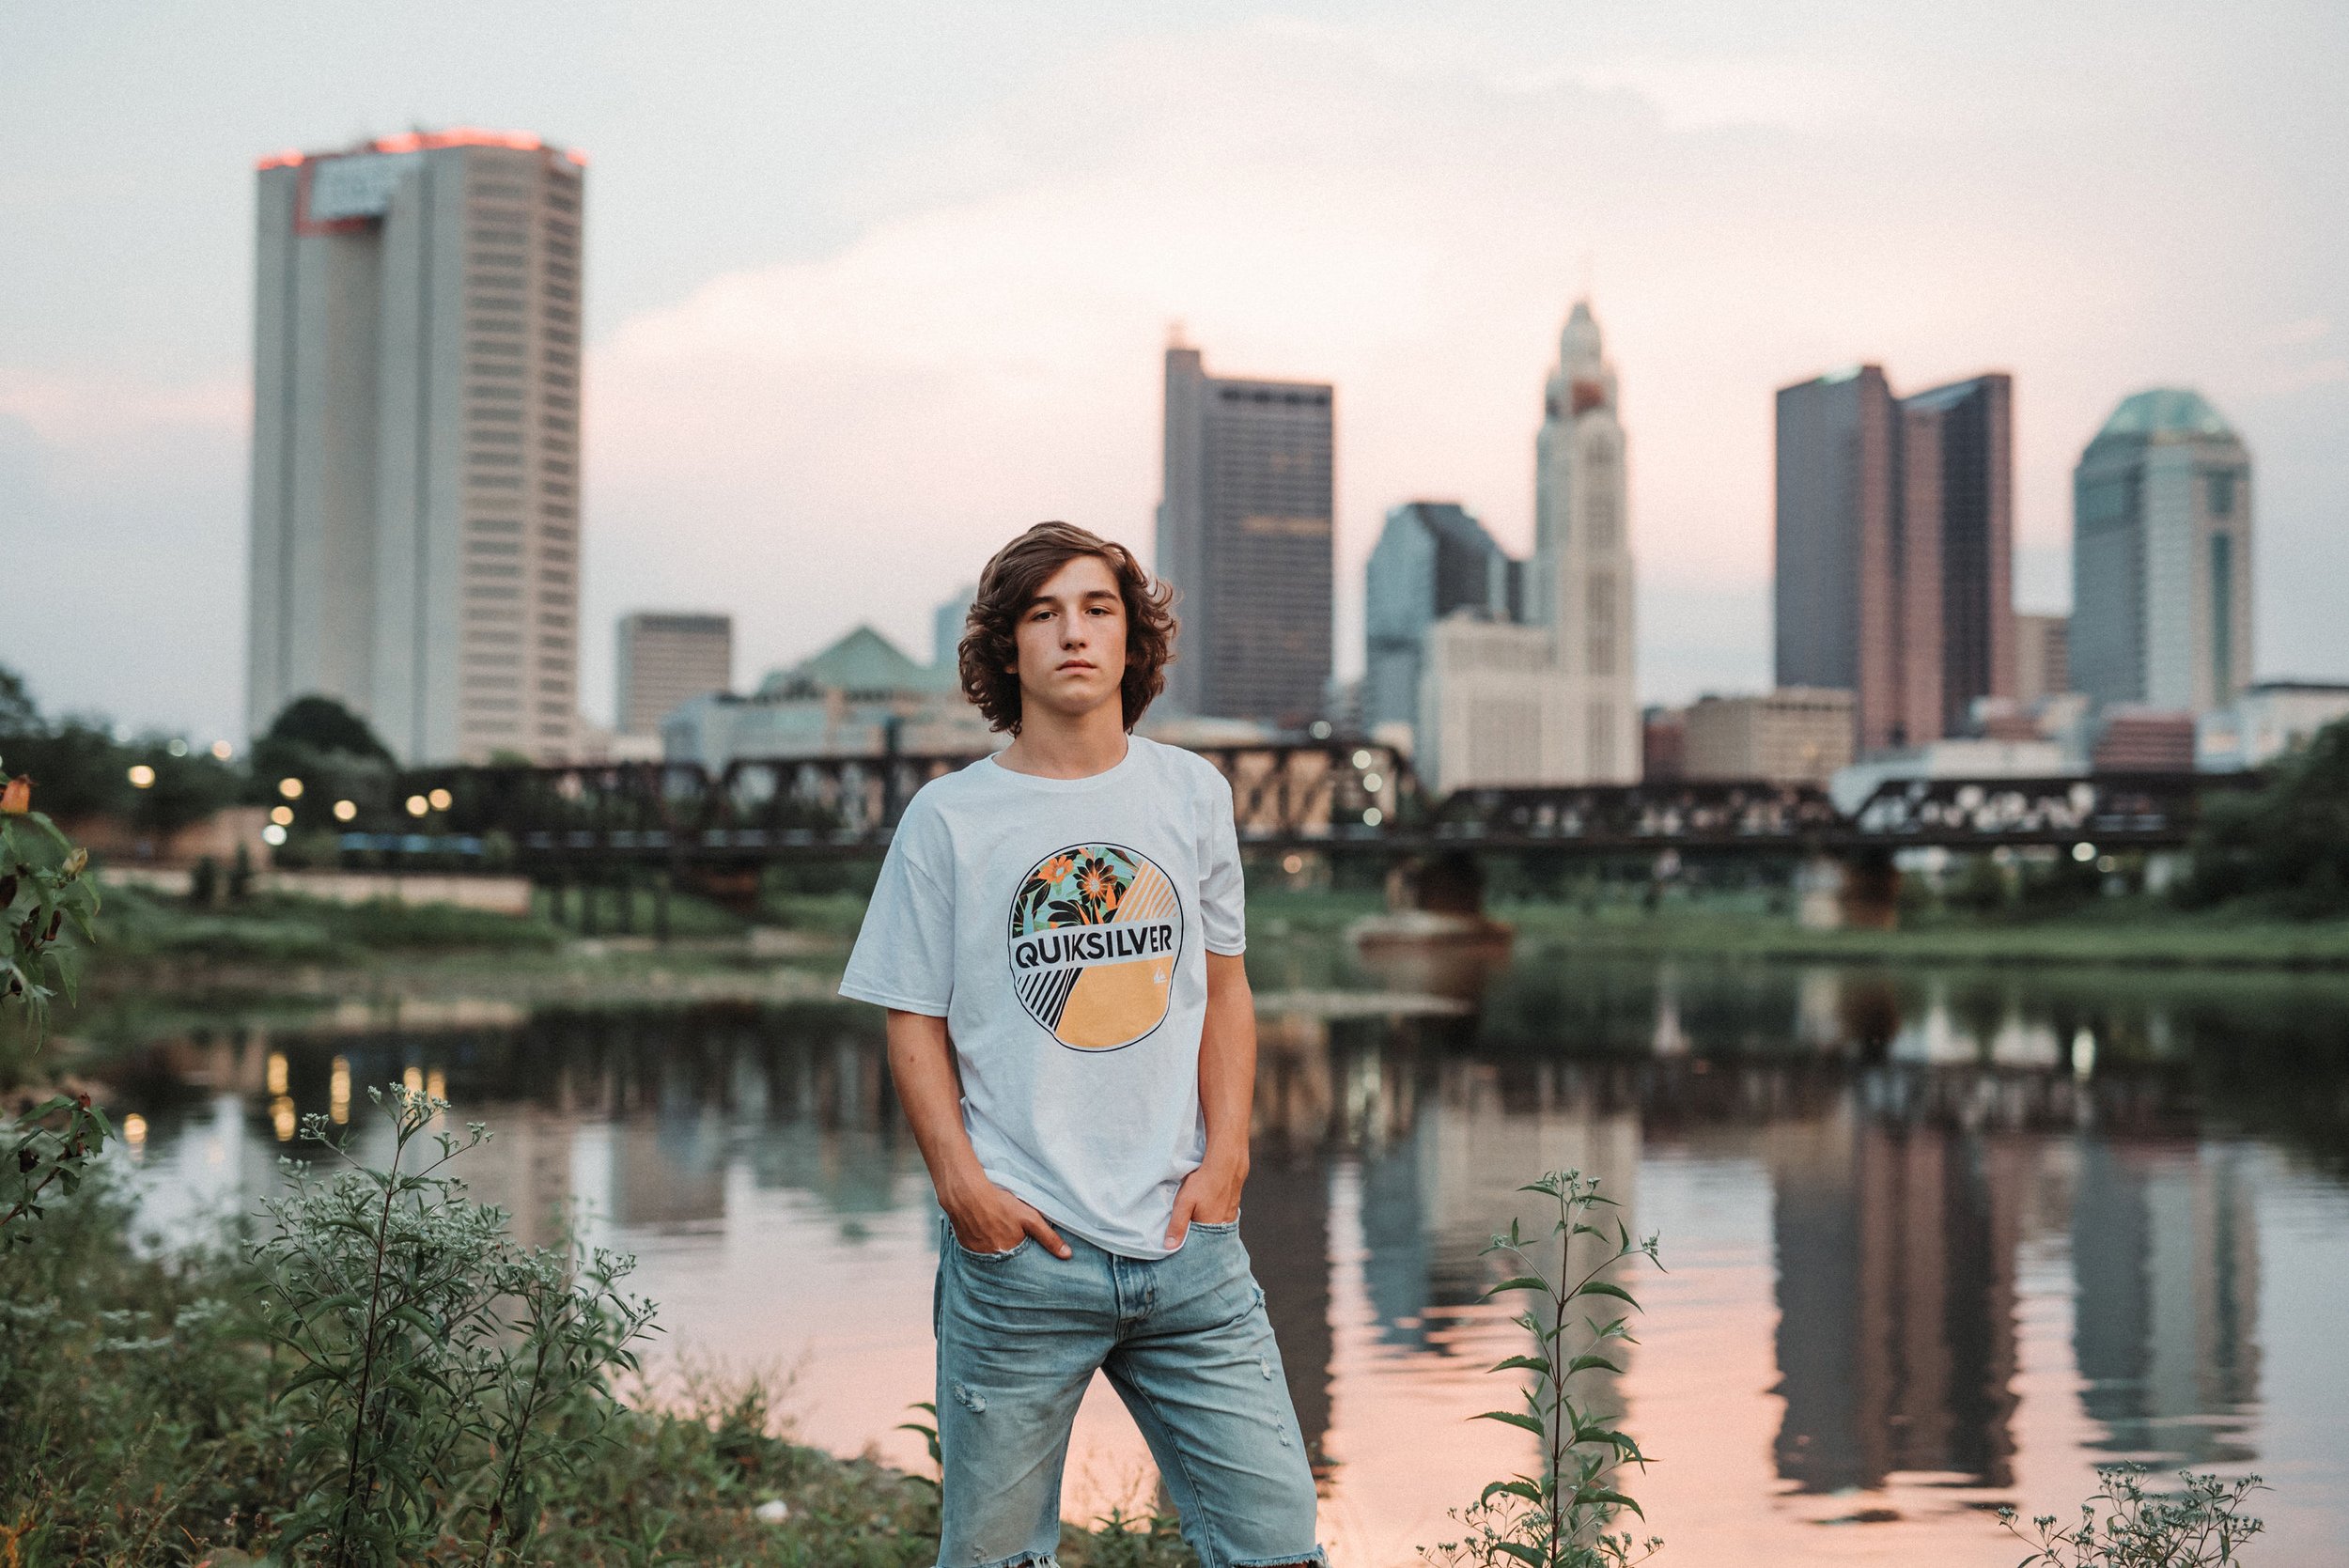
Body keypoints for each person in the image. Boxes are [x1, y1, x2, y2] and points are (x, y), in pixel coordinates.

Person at [839, 521, 1325, 1568]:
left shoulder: (1191, 793)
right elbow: (909, 1016)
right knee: (998, 1559)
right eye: (1042, 613)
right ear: (1006, 648)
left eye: (1097, 608)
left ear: (1131, 641)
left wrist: (1228, 1157)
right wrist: (964, 1191)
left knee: (1276, 1542)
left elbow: (1226, 989)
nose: (1072, 633)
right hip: (1023, 1257)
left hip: (1190, 1250)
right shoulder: (950, 818)